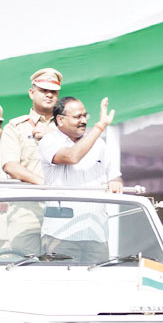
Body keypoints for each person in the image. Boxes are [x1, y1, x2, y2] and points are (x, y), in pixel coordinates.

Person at [37, 96, 122, 261]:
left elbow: (115, 176)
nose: (83, 121)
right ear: (60, 120)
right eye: (77, 117)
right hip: (61, 235)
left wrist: (115, 182)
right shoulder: (49, 141)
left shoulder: (99, 144)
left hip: (96, 234)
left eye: (85, 116)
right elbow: (72, 157)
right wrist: (100, 126)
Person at [0, 69, 62, 255]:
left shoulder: (66, 126)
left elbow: (79, 154)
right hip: (26, 209)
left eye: (53, 91)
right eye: (43, 90)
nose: (49, 95)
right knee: (26, 262)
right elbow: (10, 165)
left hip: (62, 208)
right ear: (31, 93)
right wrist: (44, 183)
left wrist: (55, 137)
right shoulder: (16, 127)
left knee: (61, 263)